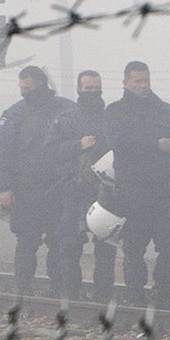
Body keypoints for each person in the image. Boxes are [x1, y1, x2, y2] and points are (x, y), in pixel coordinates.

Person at [102, 61, 170, 311]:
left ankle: (162, 295)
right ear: (126, 83)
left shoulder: (164, 110)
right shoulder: (115, 111)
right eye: (138, 81)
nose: (143, 86)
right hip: (131, 189)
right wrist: (154, 144)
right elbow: (118, 141)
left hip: (162, 189)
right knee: (134, 247)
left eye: (146, 80)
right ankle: (135, 299)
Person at [0, 65, 81, 301]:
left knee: (59, 243)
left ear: (41, 84)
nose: (24, 92)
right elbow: (1, 152)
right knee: (27, 241)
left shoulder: (67, 109)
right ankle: (23, 291)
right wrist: (3, 188)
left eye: (28, 88)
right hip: (26, 190)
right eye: (22, 88)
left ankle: (58, 291)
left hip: (60, 189)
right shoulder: (14, 114)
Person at [68, 69, 116, 301]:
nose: (93, 92)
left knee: (106, 246)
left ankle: (103, 295)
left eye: (96, 88)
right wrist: (77, 145)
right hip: (74, 192)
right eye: (88, 88)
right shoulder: (66, 118)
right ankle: (71, 295)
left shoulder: (112, 117)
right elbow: (50, 151)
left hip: (105, 191)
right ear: (79, 89)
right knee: (70, 245)